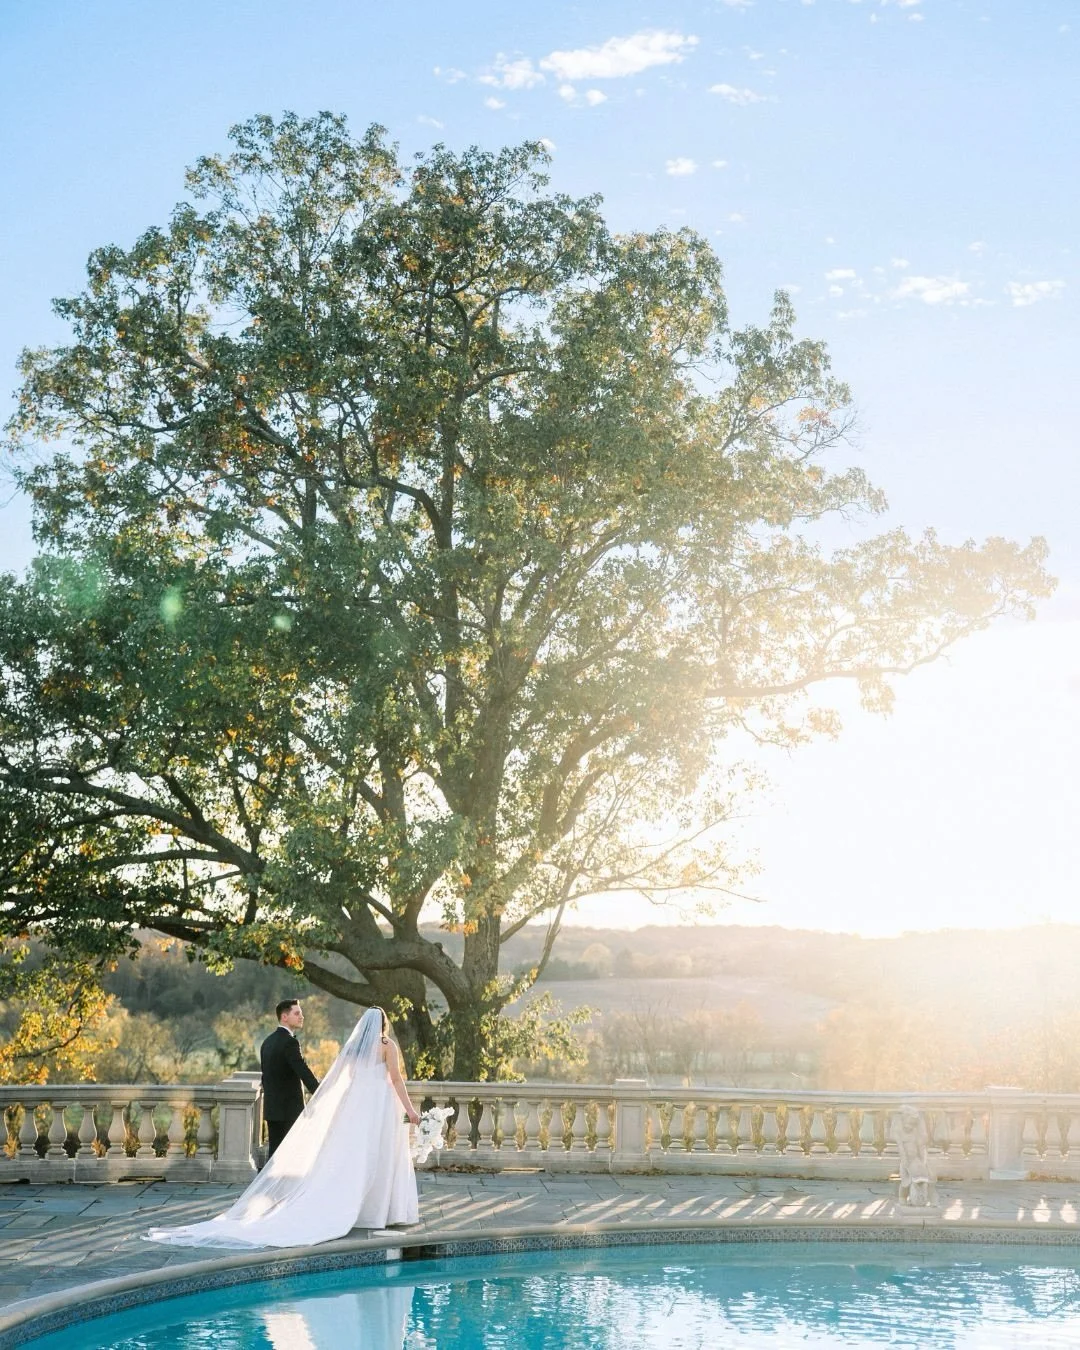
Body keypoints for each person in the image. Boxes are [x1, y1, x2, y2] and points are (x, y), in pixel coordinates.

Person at [146, 1007, 421, 1249]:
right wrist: (410, 1110)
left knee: (354, 1158)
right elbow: (396, 1080)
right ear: (383, 1023)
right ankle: (381, 1211)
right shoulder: (387, 1045)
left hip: (358, 1108)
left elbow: (346, 1082)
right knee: (381, 1155)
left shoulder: (351, 1049)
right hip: (380, 1106)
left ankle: (358, 1209)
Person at [260, 999, 320, 1158]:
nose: (302, 1016)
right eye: (297, 1013)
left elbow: (265, 1078)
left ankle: (269, 1183)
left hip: (272, 1110)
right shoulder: (290, 1042)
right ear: (284, 1017)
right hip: (289, 1111)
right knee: (294, 1156)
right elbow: (302, 1070)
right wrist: (320, 1091)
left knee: (275, 1155)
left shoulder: (267, 1042)